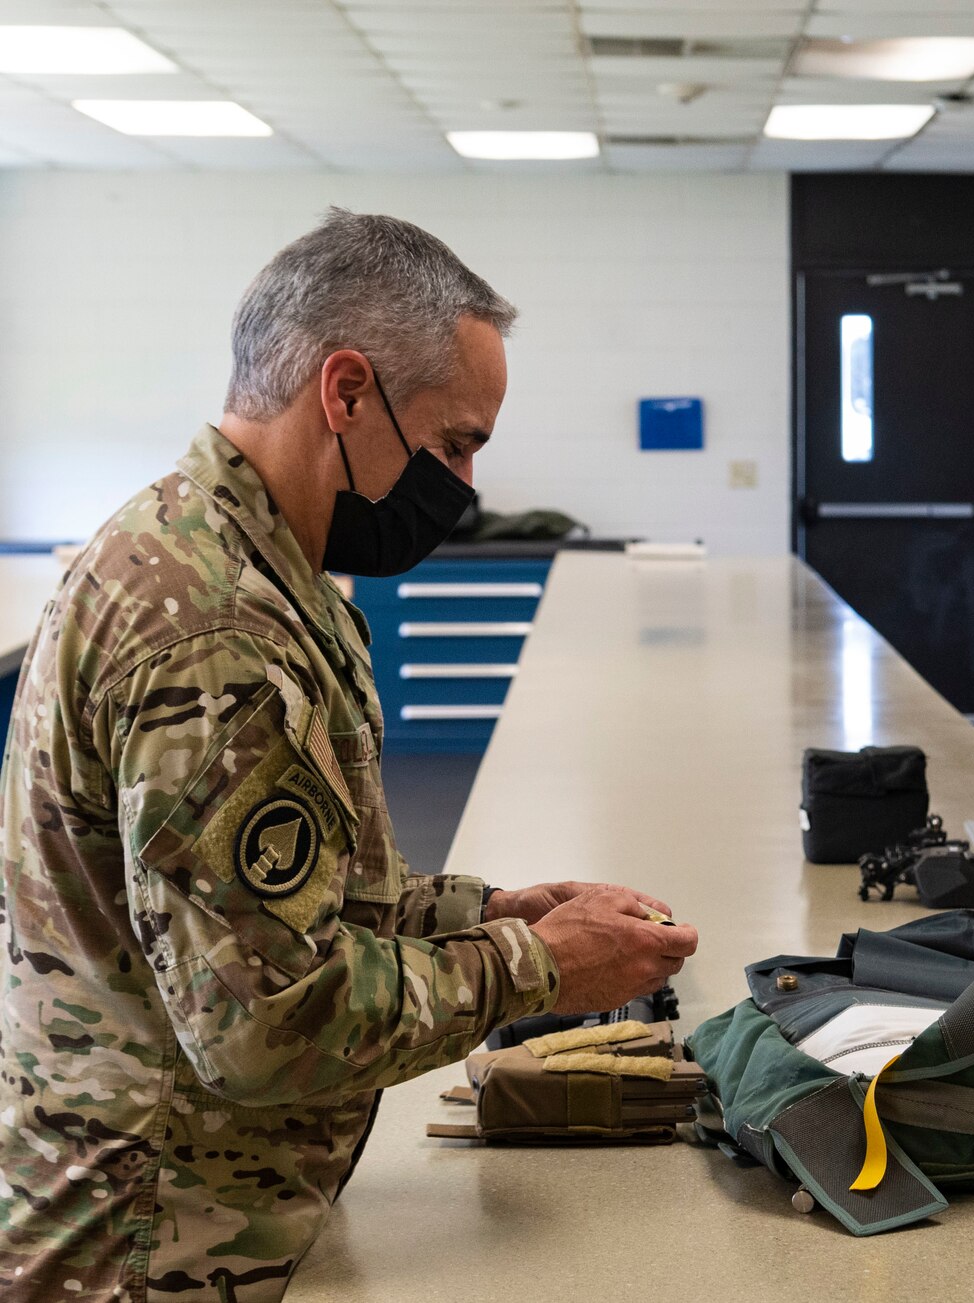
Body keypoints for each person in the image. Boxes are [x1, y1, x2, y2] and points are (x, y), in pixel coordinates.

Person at [0, 210, 698, 1301]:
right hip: (149, 1248)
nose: (462, 483)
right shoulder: (214, 631)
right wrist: (544, 967)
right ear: (346, 392)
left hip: (195, 1205)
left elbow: (282, 904)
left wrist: (494, 911)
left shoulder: (240, 558)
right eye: (455, 442)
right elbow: (264, 1026)